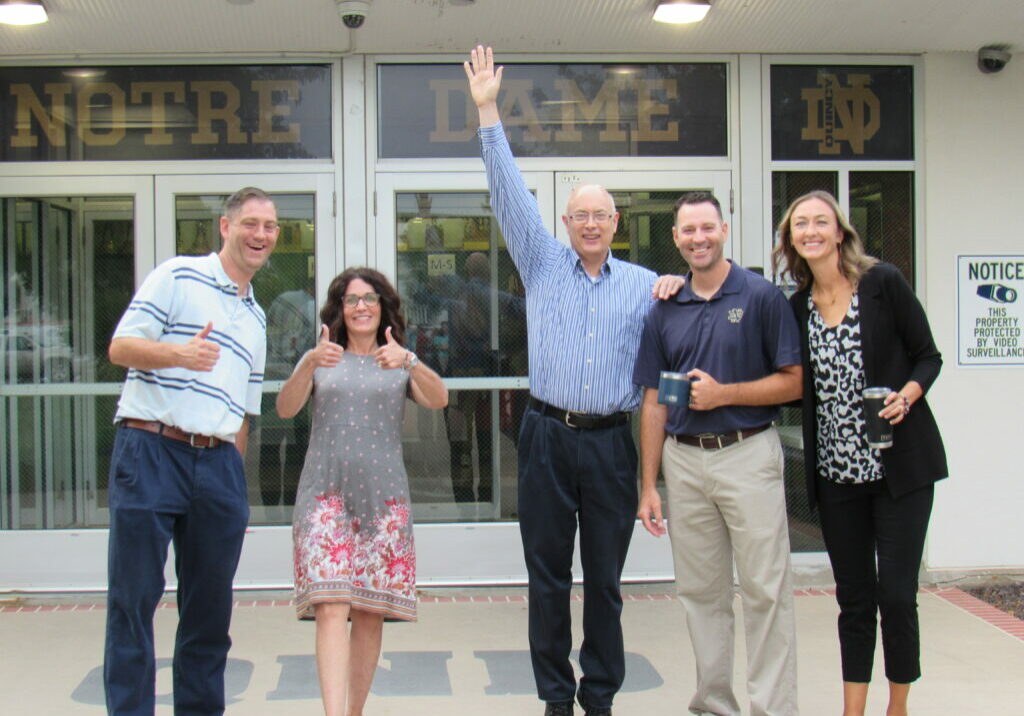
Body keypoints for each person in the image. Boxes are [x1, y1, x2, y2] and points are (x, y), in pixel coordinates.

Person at [464, 46, 682, 716]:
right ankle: (557, 699)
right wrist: (487, 111)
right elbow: (505, 191)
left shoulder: (649, 287)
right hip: (548, 440)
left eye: (603, 215)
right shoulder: (541, 263)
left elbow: (672, 366)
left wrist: (682, 289)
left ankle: (601, 697)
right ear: (565, 222)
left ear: (617, 224)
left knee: (608, 584)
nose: (591, 223)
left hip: (614, 445)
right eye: (580, 214)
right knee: (548, 578)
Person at [104, 187, 279, 715]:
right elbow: (120, 347)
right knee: (133, 602)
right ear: (225, 228)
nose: (260, 235)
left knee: (209, 613)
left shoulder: (257, 318)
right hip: (152, 447)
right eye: (250, 223)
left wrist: (235, 490)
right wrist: (177, 353)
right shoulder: (178, 275)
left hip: (218, 465)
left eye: (270, 227)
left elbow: (244, 411)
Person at [771, 190, 947, 716]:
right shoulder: (795, 307)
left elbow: (927, 356)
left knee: (895, 594)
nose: (810, 231)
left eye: (820, 221)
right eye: (800, 224)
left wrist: (907, 395)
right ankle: (853, 711)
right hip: (837, 475)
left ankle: (898, 706)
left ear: (841, 232)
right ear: (791, 241)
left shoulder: (882, 284)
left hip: (900, 470)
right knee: (854, 601)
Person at [634, 191, 803, 716]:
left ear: (724, 229)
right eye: (688, 230)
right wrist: (649, 485)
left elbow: (794, 383)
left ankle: (771, 708)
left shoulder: (760, 297)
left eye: (707, 227)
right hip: (685, 465)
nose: (698, 238)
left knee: (765, 593)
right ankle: (714, 704)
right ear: (676, 238)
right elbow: (653, 400)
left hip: (747, 454)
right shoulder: (666, 306)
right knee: (701, 594)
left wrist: (726, 394)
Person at [277, 267, 447, 716]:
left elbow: (438, 399)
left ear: (383, 306)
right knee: (331, 606)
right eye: (351, 300)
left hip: (382, 505)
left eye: (370, 298)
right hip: (324, 499)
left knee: (369, 613)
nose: (361, 306)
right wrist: (310, 362)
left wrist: (410, 361)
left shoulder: (395, 359)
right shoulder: (322, 357)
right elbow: (285, 406)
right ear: (339, 309)